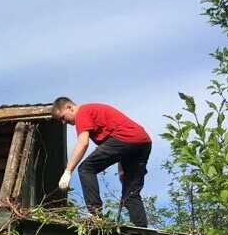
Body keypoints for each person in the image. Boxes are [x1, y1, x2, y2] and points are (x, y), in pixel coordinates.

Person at [51, 97, 152, 227]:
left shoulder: (82, 112)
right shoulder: (93, 113)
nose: (64, 122)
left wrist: (68, 171)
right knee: (130, 193)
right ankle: (141, 229)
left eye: (63, 117)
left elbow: (83, 143)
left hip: (126, 139)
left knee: (86, 168)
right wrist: (122, 171)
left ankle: (95, 214)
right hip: (142, 142)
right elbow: (120, 146)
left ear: (70, 107)